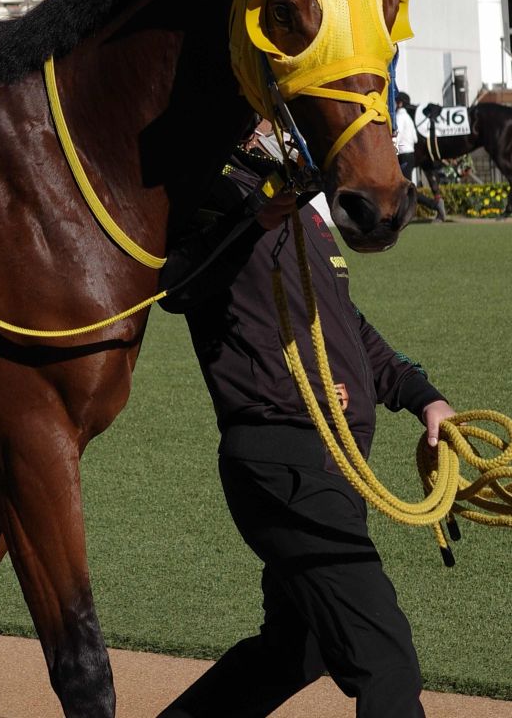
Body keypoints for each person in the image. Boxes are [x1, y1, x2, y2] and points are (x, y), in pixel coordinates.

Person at [155, 121, 455, 718]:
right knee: (386, 658)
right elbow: (174, 285)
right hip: (285, 458)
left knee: (297, 646)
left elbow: (346, 323)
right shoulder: (213, 187)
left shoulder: (299, 204)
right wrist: (251, 221)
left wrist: (423, 396)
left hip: (331, 463)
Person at [394, 91, 446, 221]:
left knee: (405, 189)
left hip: (403, 156)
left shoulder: (399, 118)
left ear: (400, 103)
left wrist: (393, 152)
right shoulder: (408, 119)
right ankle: (403, 214)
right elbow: (415, 139)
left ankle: (434, 205)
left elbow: (396, 137)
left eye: (395, 101)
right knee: (403, 188)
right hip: (410, 155)